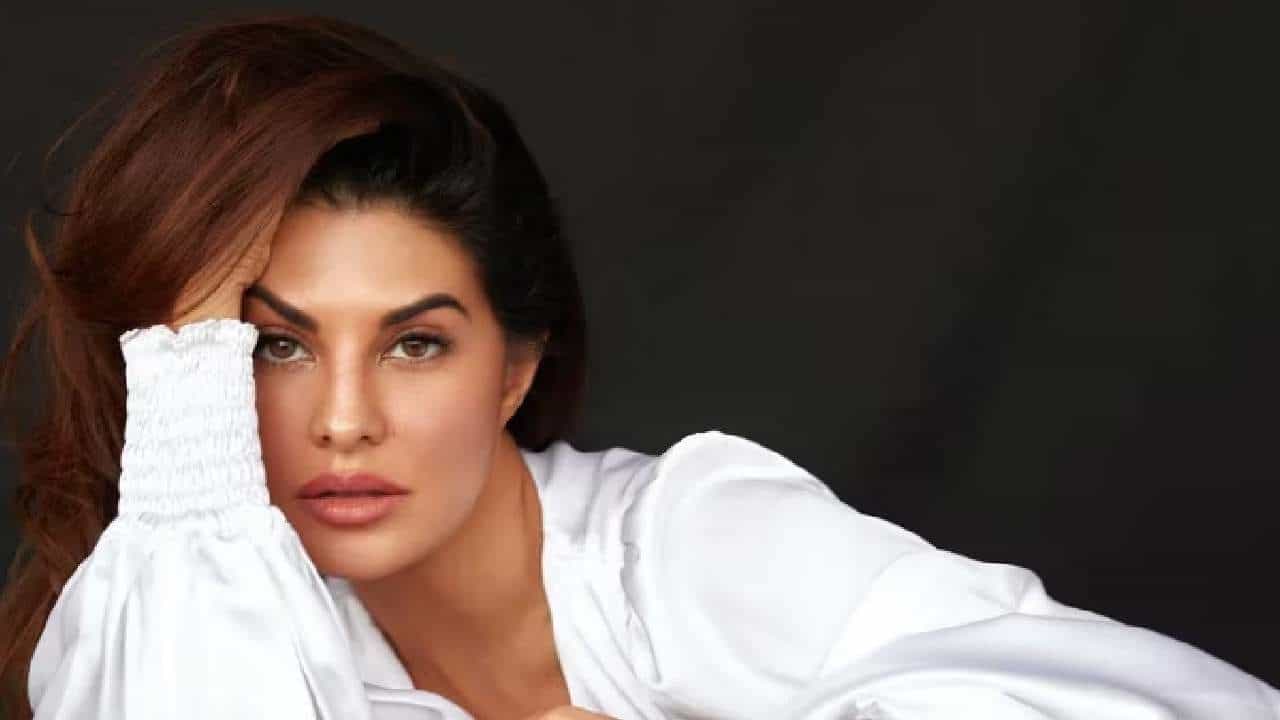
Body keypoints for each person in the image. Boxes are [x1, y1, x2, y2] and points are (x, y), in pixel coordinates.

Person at [0, 12, 1276, 720]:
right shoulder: (216, 622)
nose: (341, 420)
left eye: (415, 343)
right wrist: (186, 382)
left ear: (513, 370)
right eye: (274, 344)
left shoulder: (684, 550)